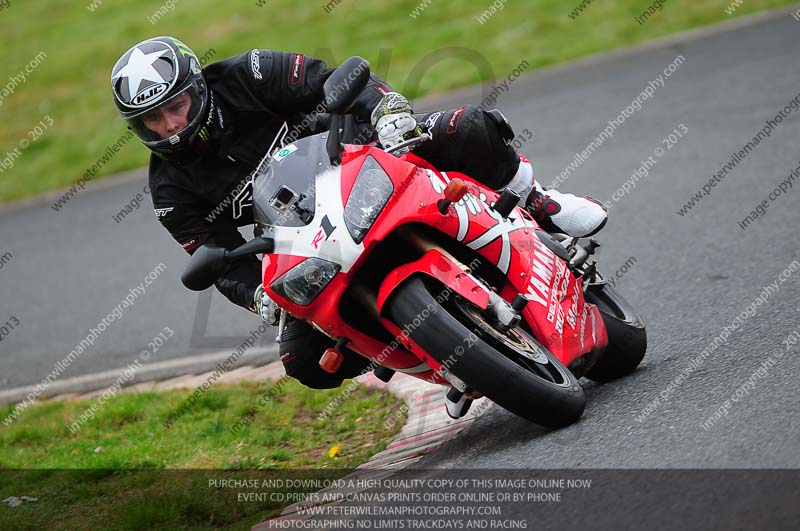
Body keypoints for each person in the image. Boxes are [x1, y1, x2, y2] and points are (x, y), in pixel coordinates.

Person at [111, 36, 607, 419]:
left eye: (174, 108)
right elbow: (217, 260)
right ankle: (429, 350)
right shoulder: (169, 191)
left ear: (197, 90)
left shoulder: (249, 72)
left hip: (365, 160)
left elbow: (338, 79)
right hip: (302, 236)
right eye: (152, 121)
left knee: (465, 126)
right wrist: (257, 298)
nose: (170, 126)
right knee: (303, 359)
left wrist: (387, 111)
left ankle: (539, 201)